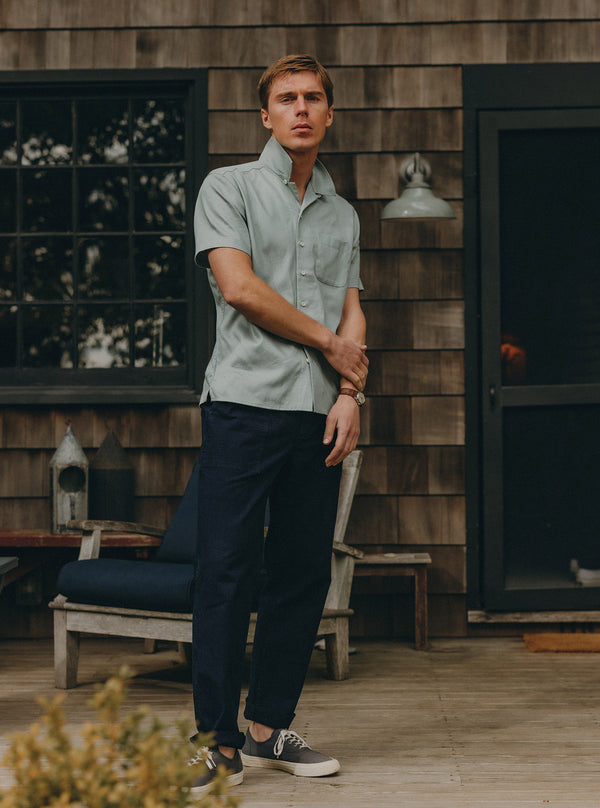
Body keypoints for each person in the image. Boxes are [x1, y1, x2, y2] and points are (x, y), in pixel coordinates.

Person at [189, 54, 368, 797]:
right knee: (228, 571)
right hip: (244, 406)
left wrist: (352, 391)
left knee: (301, 571)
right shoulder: (226, 187)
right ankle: (216, 740)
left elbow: (352, 309)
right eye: (286, 99)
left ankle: (268, 727)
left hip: (319, 414)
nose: (301, 108)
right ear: (265, 116)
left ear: (329, 114)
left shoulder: (343, 212)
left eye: (313, 98)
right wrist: (330, 346)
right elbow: (240, 289)